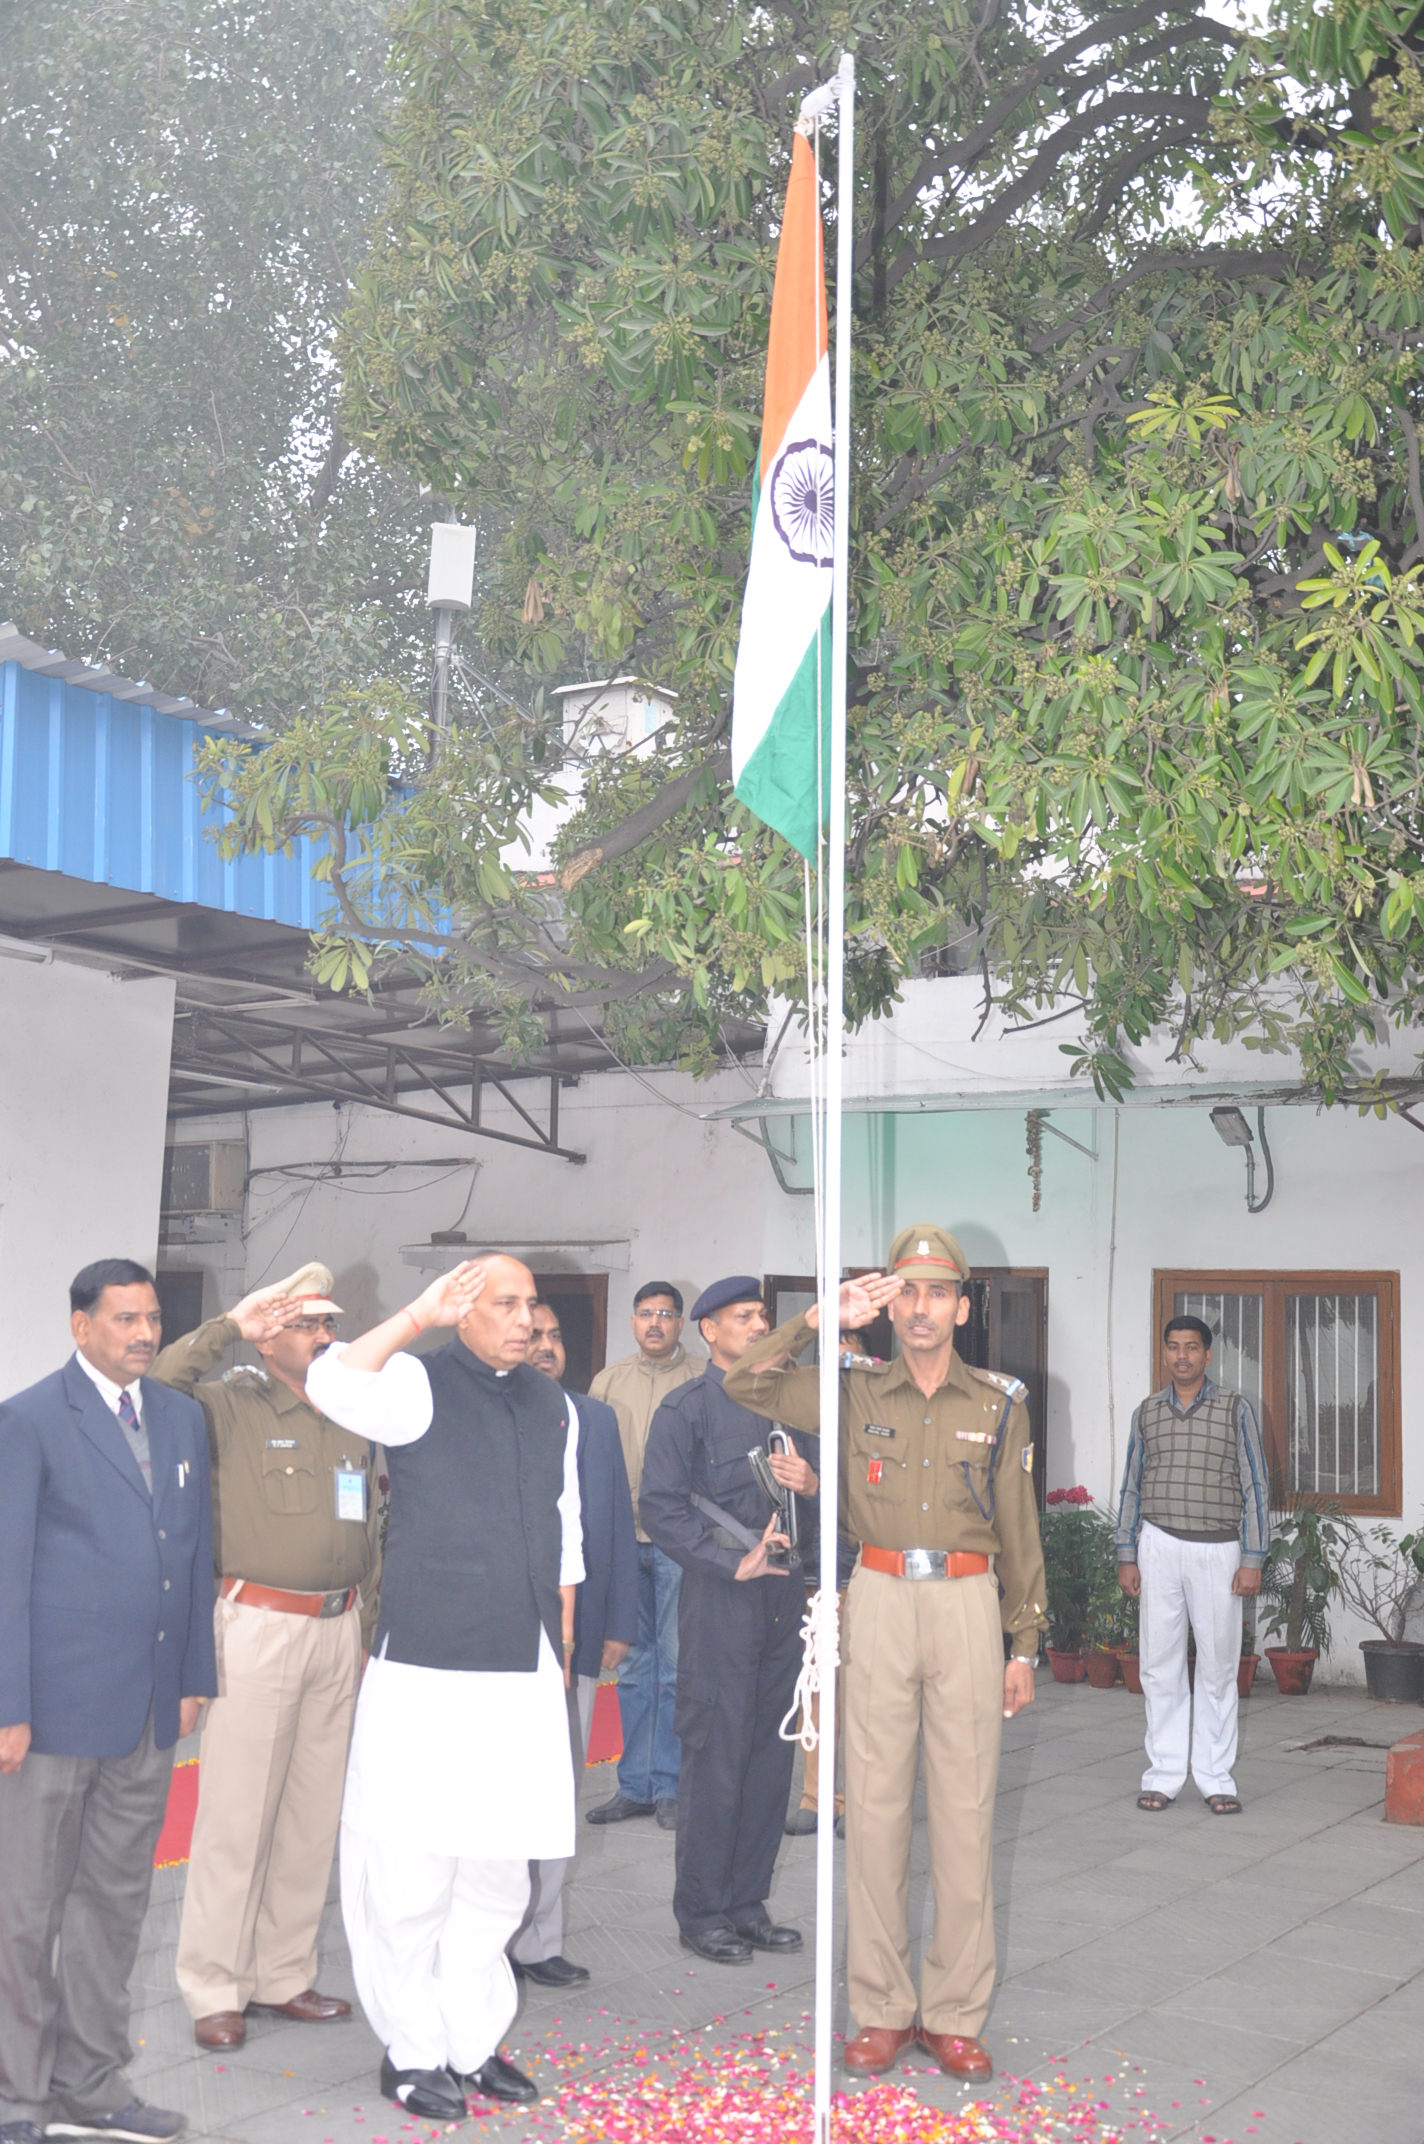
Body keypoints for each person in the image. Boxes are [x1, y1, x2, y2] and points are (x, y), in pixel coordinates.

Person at [725, 1228, 1047, 2083]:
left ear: (963, 1308)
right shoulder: (851, 1391)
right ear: (890, 1305)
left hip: (969, 1605)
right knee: (869, 1811)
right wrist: (816, 1321)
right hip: (876, 1597)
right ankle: (881, 2009)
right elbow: (743, 1381)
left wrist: (1025, 1642)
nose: (920, 1308)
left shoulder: (1001, 1399)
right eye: (906, 1292)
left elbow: (1020, 1526)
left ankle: (953, 2014)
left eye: (937, 1293)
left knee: (966, 1814)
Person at [306, 1256, 583, 2121]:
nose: (525, 1319)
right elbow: (332, 1385)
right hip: (427, 1665)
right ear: (462, 1313)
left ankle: (472, 2041)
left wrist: (562, 1650)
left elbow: (564, 1530)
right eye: (505, 1303)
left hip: (523, 1666)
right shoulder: (417, 1384)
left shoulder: (553, 1404)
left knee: (499, 1875)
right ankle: (413, 2049)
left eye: (531, 1304)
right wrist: (415, 1313)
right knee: (411, 1871)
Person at [0, 1259, 217, 2144]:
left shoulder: (181, 1417)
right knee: (25, 1908)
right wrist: (8, 1704)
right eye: (124, 1318)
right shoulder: (29, 1420)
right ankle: (18, 2093)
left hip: (147, 1707)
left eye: (152, 1317)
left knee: (114, 1904)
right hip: (50, 1715)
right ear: (81, 1325)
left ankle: (92, 2082)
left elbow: (196, 1551)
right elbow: (6, 1570)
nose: (143, 1333)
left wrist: (196, 1672)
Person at [149, 1262, 381, 2049]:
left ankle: (283, 1974)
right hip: (258, 1624)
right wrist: (229, 1328)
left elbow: (371, 1530)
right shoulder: (229, 1405)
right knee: (236, 1817)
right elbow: (154, 1389)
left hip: (338, 1627)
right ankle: (214, 1984)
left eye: (328, 1323)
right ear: (268, 1334)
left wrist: (366, 1627)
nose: (326, 1335)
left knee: (311, 1816)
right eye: (309, 1324)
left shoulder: (355, 1412)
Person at [640, 1276, 818, 1965]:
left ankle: (748, 1903)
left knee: (771, 1756)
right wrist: (722, 1559)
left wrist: (812, 1485)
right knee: (716, 1753)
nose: (757, 1326)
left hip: (783, 1595)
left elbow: (828, 1494)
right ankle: (703, 1910)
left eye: (764, 1317)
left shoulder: (792, 1406)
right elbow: (660, 1504)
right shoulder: (687, 1408)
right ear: (709, 1332)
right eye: (744, 1317)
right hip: (722, 1597)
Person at [510, 1301, 637, 1989]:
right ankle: (489, 1932)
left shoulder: (597, 1419)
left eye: (556, 1336)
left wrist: (617, 1622)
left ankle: (539, 1941)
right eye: (533, 1336)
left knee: (560, 1789)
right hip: (497, 1635)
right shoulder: (487, 1417)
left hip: (573, 1636)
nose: (546, 1347)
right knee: (502, 1789)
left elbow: (613, 1521)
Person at [1115, 1314, 1271, 1817]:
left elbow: (1255, 1487)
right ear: (1164, 1353)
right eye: (1173, 1347)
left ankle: (1214, 1777)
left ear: (1208, 1355)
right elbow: (1132, 1486)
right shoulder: (1146, 1412)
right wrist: (1126, 1553)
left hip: (1218, 1550)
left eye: (1192, 1347)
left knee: (1219, 1666)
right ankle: (1162, 1774)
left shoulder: (1235, 1409)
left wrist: (1252, 1556)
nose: (1182, 1355)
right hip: (1158, 1545)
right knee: (1158, 1666)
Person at [585, 1281, 698, 1829]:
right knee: (631, 1668)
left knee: (676, 1670)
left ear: (682, 1323)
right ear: (632, 1321)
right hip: (622, 1542)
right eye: (646, 1313)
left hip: (679, 1543)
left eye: (666, 1314)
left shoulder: (702, 1382)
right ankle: (633, 1785)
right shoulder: (607, 1383)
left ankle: (672, 1787)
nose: (655, 1322)